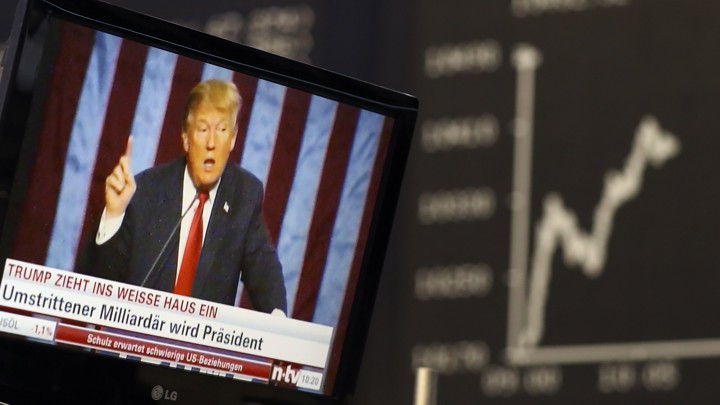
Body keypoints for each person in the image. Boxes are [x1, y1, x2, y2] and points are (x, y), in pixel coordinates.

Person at [78, 80, 286, 314]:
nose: (212, 143)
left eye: (222, 130)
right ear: (186, 139)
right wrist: (114, 215)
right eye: (203, 129)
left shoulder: (244, 195)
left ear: (234, 138)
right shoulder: (144, 191)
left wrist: (277, 322)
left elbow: (263, 267)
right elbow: (93, 284)